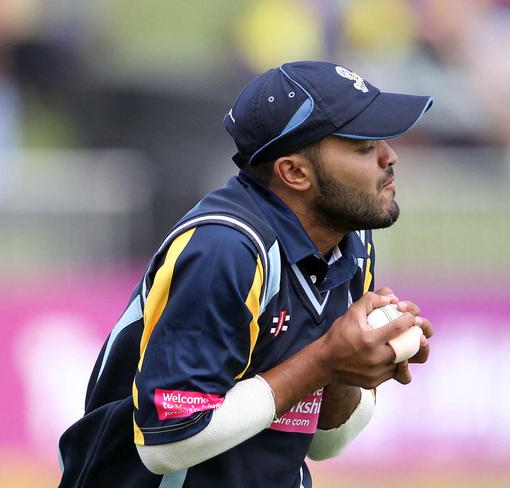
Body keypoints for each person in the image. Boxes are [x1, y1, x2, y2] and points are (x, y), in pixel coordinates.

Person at [58, 60, 434, 488]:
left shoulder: (350, 239)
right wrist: (325, 359)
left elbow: (324, 444)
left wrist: (353, 368)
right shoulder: (225, 249)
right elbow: (168, 443)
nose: (390, 156)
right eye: (362, 146)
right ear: (294, 172)